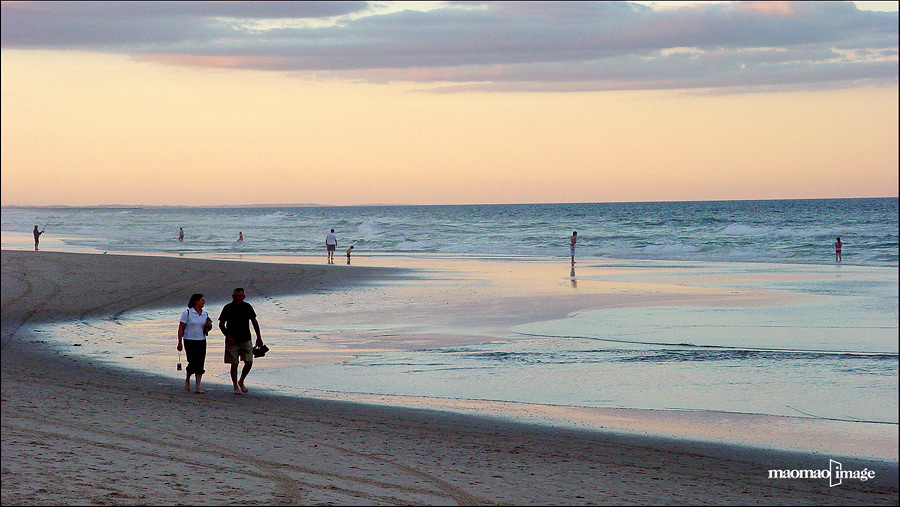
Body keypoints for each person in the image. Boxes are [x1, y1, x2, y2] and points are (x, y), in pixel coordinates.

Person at [218, 287, 264, 395]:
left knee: (249, 362)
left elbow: (254, 322)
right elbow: (221, 324)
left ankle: (241, 381)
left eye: (239, 296)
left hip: (246, 339)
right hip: (232, 340)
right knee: (234, 364)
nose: (237, 298)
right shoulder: (227, 308)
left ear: (243, 296)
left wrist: (259, 337)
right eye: (235, 296)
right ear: (232, 296)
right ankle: (235, 386)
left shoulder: (247, 307)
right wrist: (227, 336)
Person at [176, 293, 212, 394]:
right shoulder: (187, 313)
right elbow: (181, 327)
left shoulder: (205, 314)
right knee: (192, 362)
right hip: (189, 340)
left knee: (200, 363)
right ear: (196, 301)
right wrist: (179, 342)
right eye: (202, 300)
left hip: (201, 340)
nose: (203, 302)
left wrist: (208, 326)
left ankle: (198, 386)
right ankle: (187, 379)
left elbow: (207, 328)